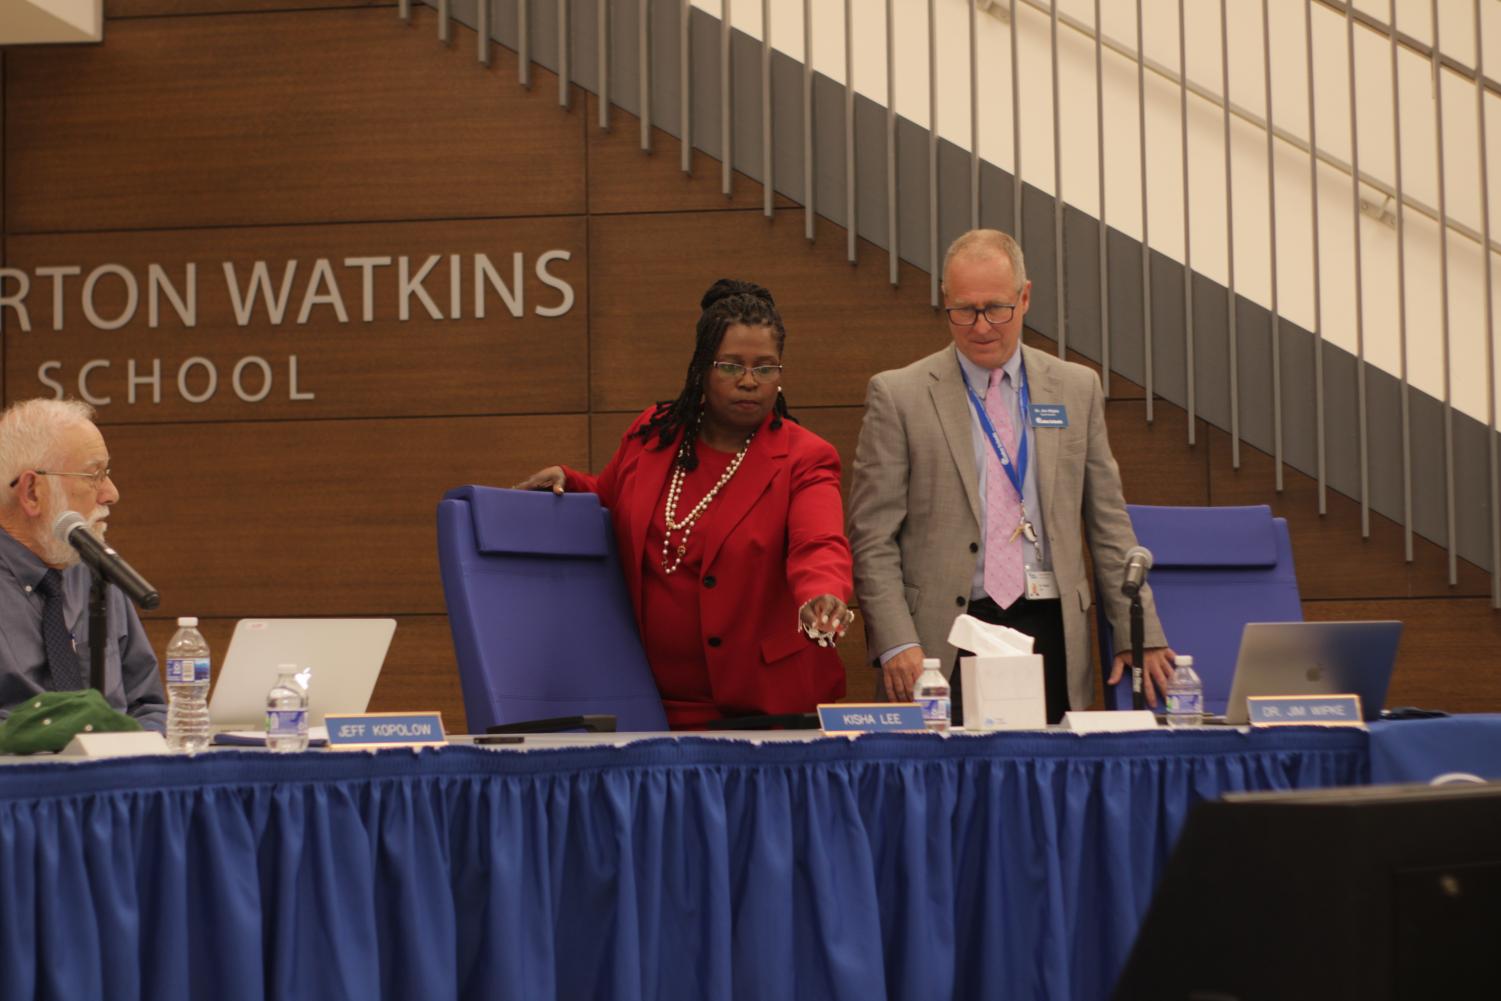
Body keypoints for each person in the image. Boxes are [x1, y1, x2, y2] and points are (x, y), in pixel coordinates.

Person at [848, 229, 1173, 723]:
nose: (981, 327)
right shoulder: (900, 396)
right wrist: (896, 641)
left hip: (1050, 627)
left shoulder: (1075, 389)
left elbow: (1108, 524)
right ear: (945, 300)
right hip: (940, 640)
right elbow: (872, 537)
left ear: (1025, 297)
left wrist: (1139, 633)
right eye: (965, 309)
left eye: (996, 308)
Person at [517, 279, 854, 728]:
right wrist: (570, 482)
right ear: (702, 368)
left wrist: (823, 595)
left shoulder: (804, 457)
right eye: (732, 366)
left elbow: (819, 542)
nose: (750, 381)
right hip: (650, 702)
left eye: (766, 368)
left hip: (764, 707)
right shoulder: (652, 435)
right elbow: (614, 497)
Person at [0, 398, 167, 730]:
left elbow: (148, 706)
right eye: (94, 475)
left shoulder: (98, 572)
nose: (111, 493)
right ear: (32, 491)